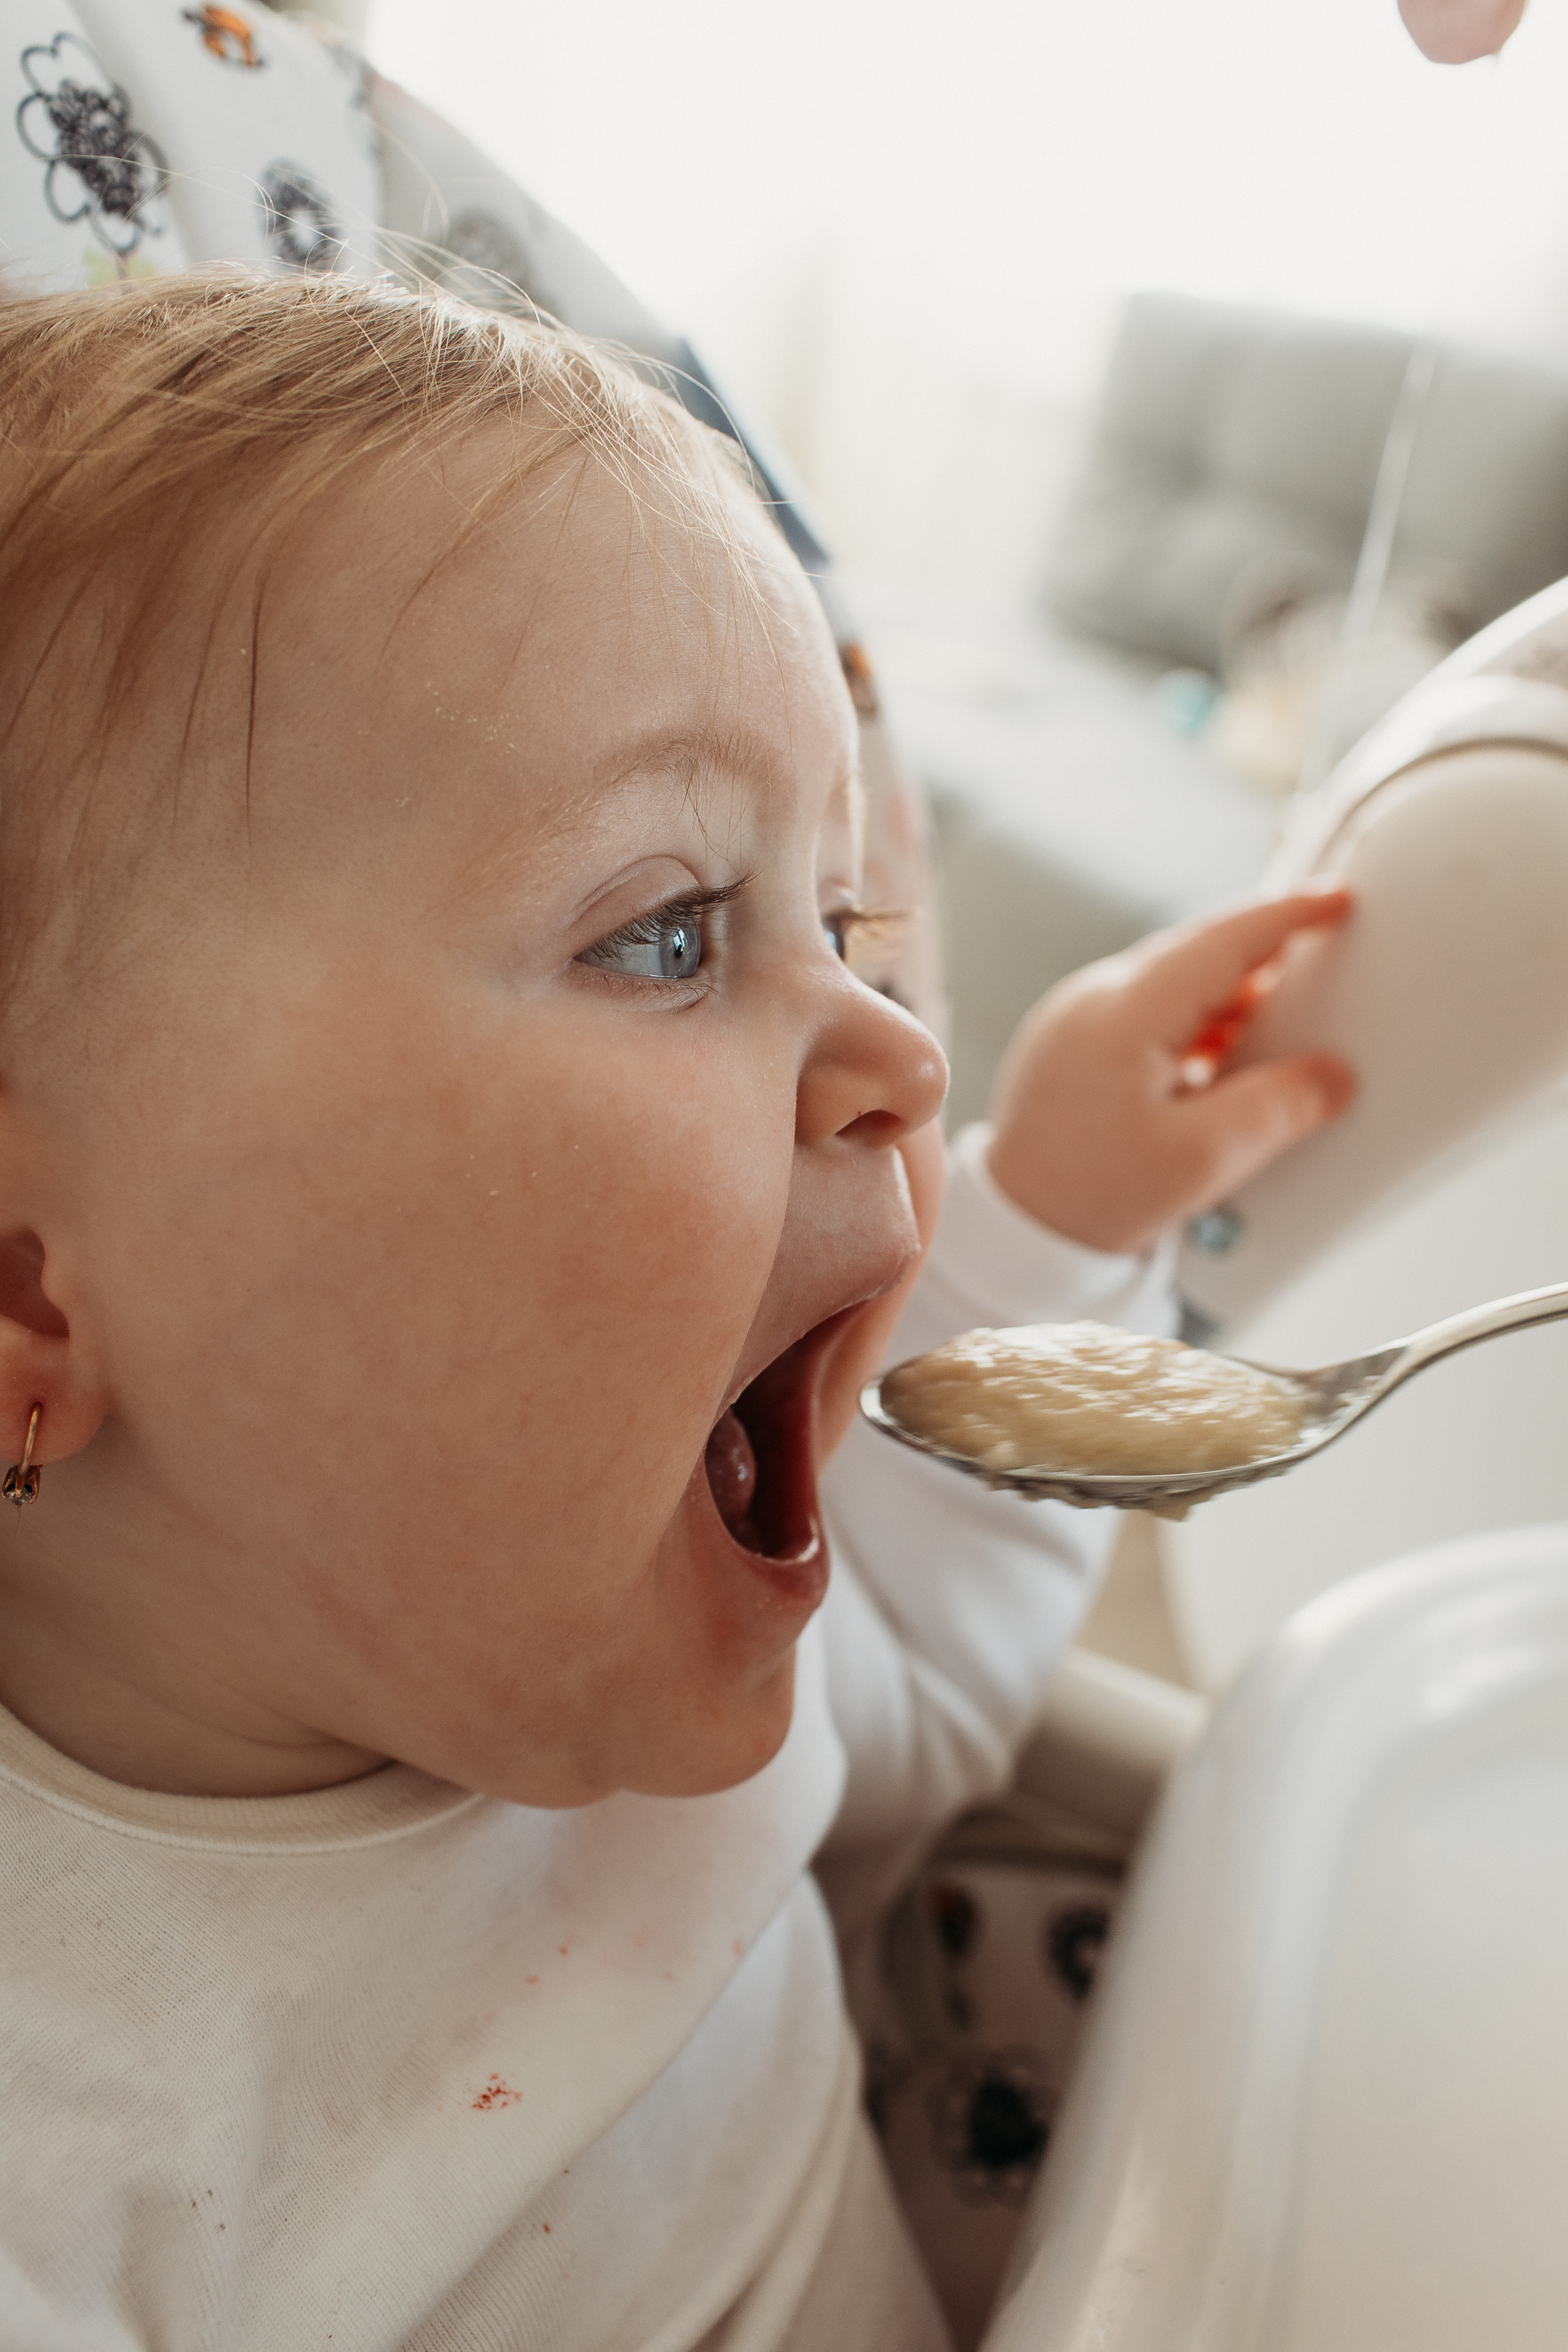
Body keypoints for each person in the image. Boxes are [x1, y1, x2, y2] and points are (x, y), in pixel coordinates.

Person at [0, 270, 1350, 2350]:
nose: (905, 1048)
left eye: (849, 927)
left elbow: (926, 1674)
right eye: (667, 935)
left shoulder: (613, 1610)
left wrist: (1057, 1215)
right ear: (26, 1291)